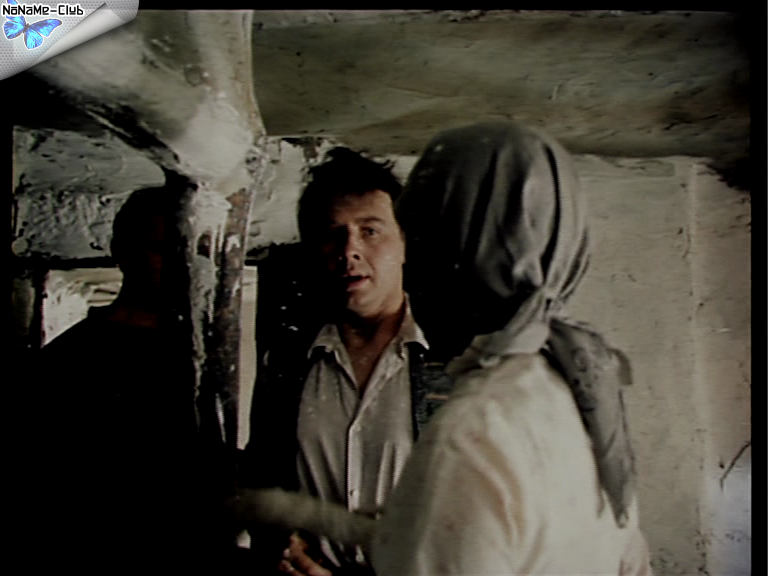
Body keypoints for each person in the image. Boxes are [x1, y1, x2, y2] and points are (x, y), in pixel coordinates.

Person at [370, 121, 654, 575]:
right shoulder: (586, 392)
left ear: (450, 251)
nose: (410, 271)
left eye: (421, 241)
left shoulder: (471, 434)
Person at [243, 148, 453, 576]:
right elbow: (263, 475)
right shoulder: (286, 364)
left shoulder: (455, 361)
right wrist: (281, 543)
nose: (349, 250)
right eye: (331, 234)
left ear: (406, 243)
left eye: (370, 231)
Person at [26, 185, 241, 571]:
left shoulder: (204, 354)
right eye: (162, 250)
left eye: (193, 251)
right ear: (121, 251)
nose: (181, 265)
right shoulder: (67, 363)